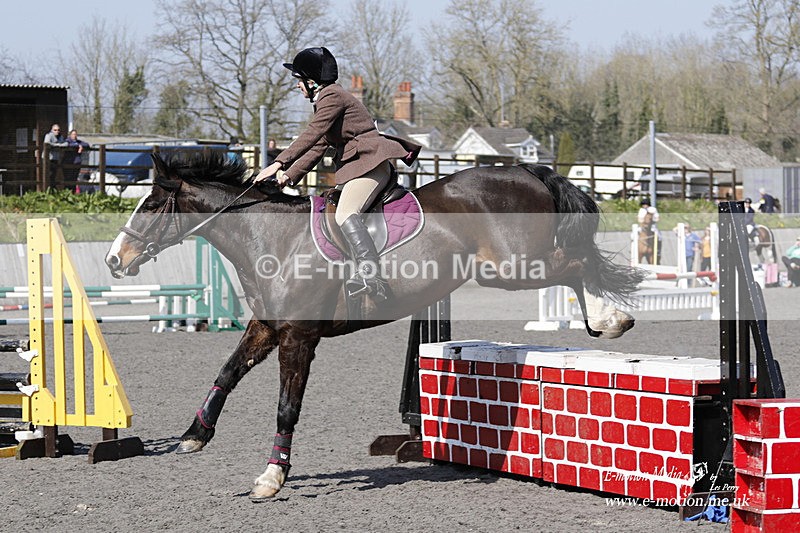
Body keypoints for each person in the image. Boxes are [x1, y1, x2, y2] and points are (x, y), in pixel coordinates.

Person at [253, 47, 421, 303]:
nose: (297, 86)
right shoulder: (327, 99)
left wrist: (277, 163)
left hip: (371, 163)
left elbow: (310, 134)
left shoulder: (332, 96)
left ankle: (370, 275)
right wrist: (289, 175)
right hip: (360, 164)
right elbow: (319, 144)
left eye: (299, 80)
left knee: (345, 214)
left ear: (312, 81)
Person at [43, 123, 68, 188]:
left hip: (56, 159)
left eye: (58, 130)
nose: (57, 131)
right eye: (55, 130)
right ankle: (48, 189)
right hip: (48, 158)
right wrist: (58, 145)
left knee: (54, 175)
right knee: (48, 175)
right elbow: (47, 144)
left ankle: (52, 189)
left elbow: (66, 144)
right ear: (52, 130)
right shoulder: (48, 135)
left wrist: (56, 145)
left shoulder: (61, 137)